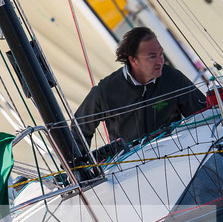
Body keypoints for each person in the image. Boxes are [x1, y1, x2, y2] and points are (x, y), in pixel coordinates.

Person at [75, 27, 207, 147]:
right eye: (152, 57)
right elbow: (79, 130)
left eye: (161, 54)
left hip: (175, 151)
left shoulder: (173, 79)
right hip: (130, 164)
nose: (160, 61)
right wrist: (80, 167)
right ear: (133, 61)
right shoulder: (105, 91)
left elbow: (203, 115)